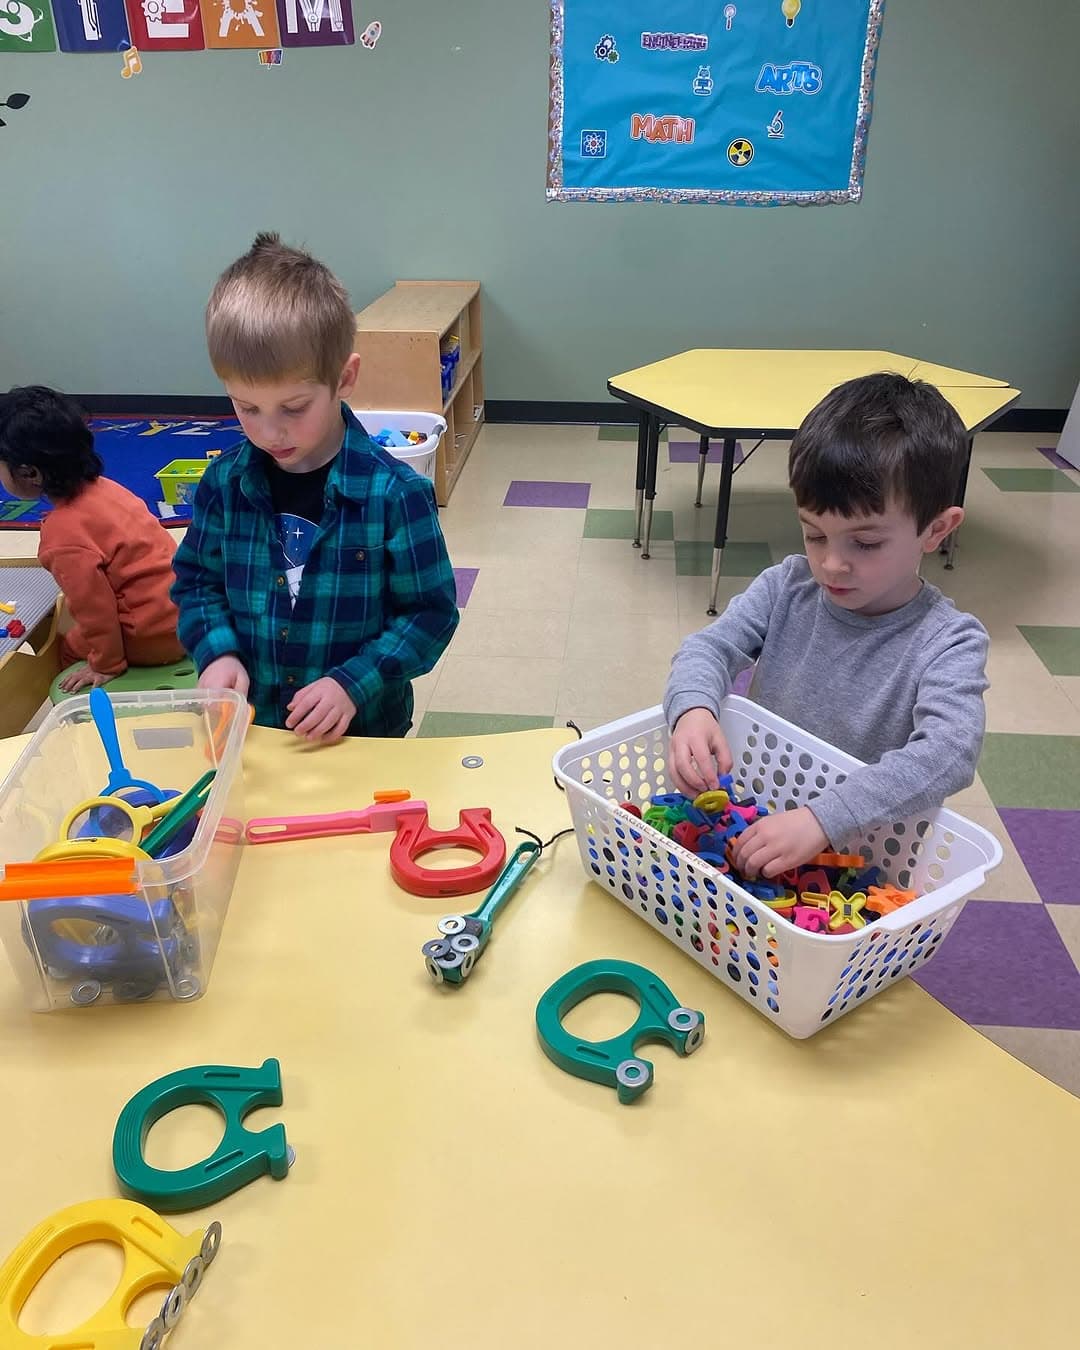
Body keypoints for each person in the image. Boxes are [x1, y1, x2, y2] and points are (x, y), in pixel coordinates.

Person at [664, 373, 988, 880]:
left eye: (866, 543)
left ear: (936, 530)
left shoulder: (949, 641)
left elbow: (949, 752)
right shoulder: (786, 587)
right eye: (815, 535)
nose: (832, 564)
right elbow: (709, 648)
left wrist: (823, 818)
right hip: (756, 826)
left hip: (860, 861)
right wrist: (692, 709)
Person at [171, 233, 458, 743]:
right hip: (258, 732)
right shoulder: (224, 484)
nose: (269, 432)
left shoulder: (396, 495)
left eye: (294, 408)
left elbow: (429, 615)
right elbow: (197, 582)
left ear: (344, 379)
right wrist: (217, 652)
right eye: (246, 407)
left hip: (362, 735)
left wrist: (353, 683)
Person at [0, 385, 184, 693]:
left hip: (154, 638)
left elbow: (95, 609)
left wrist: (105, 664)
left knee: (68, 648)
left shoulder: (63, 534)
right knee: (72, 621)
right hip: (186, 617)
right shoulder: (108, 488)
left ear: (30, 473)